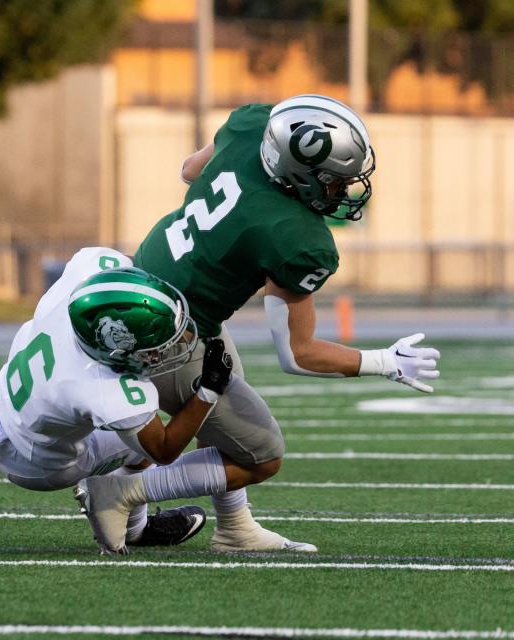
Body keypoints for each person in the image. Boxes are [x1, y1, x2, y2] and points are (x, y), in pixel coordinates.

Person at [76, 94, 441, 553]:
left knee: (230, 384)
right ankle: (121, 492)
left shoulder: (252, 125)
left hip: (144, 279)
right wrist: (386, 362)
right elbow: (297, 354)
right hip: (167, 335)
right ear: (300, 174)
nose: (341, 192)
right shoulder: (296, 238)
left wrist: (229, 229)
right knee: (262, 454)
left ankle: (234, 527)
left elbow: (191, 170)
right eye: (333, 182)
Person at [0, 247, 312, 553]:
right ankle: (121, 511)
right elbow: (165, 449)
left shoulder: (89, 277)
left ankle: (135, 525)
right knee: (143, 445)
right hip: (35, 461)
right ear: (116, 353)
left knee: (134, 438)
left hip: (3, 403)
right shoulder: (100, 384)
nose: (175, 343)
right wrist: (207, 392)